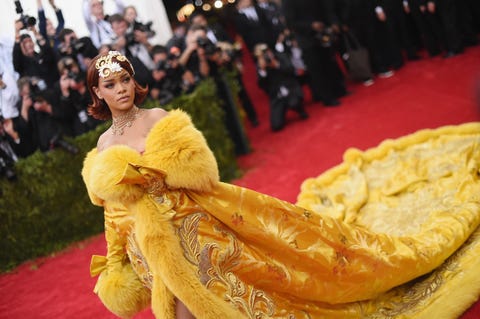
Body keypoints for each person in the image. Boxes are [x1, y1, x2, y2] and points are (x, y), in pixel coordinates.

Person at [82, 51, 480, 319]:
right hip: (146, 246)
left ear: (135, 83)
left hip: (192, 231)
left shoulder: (158, 118)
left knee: (206, 305)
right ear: (97, 93)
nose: (120, 90)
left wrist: (150, 176)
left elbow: (199, 170)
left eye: (125, 80)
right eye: (111, 85)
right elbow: (114, 213)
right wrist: (116, 260)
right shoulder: (102, 145)